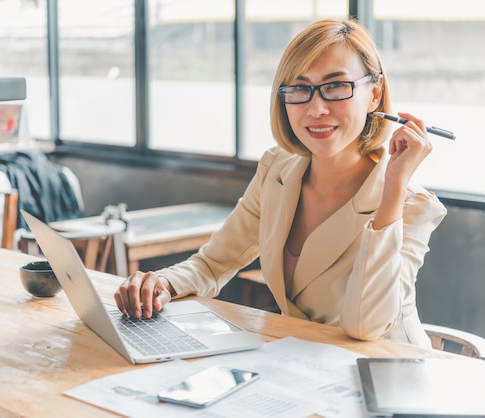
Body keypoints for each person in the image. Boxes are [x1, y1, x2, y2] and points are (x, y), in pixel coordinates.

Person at [114, 18, 447, 348]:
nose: (316, 109)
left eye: (335, 87)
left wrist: (394, 186)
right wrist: (161, 283)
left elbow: (365, 326)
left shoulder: (411, 205)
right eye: (300, 89)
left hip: (387, 375)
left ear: (374, 94)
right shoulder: (277, 170)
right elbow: (214, 262)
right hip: (303, 365)